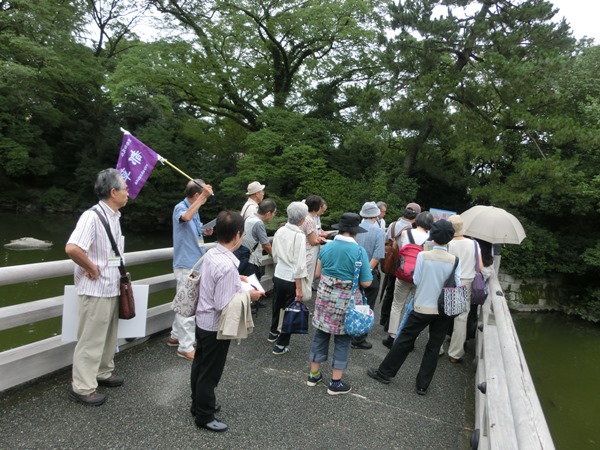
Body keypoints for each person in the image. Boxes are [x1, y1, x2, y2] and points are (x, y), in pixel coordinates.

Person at [367, 219, 461, 395]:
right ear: (450, 238)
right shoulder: (455, 260)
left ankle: (385, 372)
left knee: (405, 340)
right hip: (443, 310)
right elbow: (457, 282)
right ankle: (422, 385)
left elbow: (416, 279)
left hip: (422, 306)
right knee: (433, 346)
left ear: (432, 236)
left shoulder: (423, 256)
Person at [191, 210, 264, 432]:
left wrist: (236, 280)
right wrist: (248, 295)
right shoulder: (227, 264)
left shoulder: (213, 254)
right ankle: (204, 416)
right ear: (238, 235)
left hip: (202, 320)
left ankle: (199, 404)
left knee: (200, 364)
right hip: (215, 326)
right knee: (210, 372)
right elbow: (224, 304)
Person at [65, 168, 129, 406]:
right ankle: (82, 387)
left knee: (108, 336)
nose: (128, 192)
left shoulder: (114, 216)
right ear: (113, 192)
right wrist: (91, 268)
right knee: (91, 339)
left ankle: (102, 372)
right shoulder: (92, 216)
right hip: (95, 289)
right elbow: (72, 248)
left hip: (111, 286)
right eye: (125, 188)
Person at [308, 212, 372, 395]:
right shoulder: (359, 252)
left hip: (324, 299)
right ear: (355, 232)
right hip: (345, 303)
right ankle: (335, 383)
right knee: (343, 340)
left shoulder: (327, 247)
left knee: (320, 335)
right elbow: (366, 282)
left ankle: (313, 375)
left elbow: (318, 274)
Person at [169, 179, 214, 361]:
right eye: (202, 197)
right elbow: (185, 217)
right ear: (197, 195)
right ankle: (185, 347)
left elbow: (192, 226)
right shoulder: (180, 207)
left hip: (194, 263)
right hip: (186, 264)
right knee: (186, 307)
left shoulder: (193, 209)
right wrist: (203, 197)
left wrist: (204, 231)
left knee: (184, 302)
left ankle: (175, 336)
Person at [384, 211, 433, 348]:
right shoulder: (430, 239)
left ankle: (392, 336)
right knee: (413, 308)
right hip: (419, 277)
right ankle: (407, 339)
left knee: (397, 304)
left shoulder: (407, 234)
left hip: (403, 274)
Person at [268, 202, 309, 354]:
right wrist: (299, 288)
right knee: (290, 310)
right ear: (302, 219)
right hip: (292, 278)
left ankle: (273, 332)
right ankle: (281, 344)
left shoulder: (280, 230)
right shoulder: (299, 236)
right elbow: (300, 264)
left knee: (277, 305)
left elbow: (275, 254)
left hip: (279, 273)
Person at [446, 214, 486, 363]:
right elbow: (480, 266)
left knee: (443, 312)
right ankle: (455, 354)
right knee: (461, 317)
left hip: (449, 280)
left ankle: (437, 348)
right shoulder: (474, 244)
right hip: (466, 283)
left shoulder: (448, 243)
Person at [379, 202, 421, 331]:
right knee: (399, 297)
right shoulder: (412, 231)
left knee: (388, 289)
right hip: (403, 264)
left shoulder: (392, 225)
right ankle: (390, 324)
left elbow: (386, 241)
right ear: (416, 216)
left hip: (390, 260)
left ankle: (383, 318)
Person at [352, 202, 385, 350]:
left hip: (352, 271)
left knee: (353, 302)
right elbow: (377, 256)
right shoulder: (378, 231)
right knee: (366, 305)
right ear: (376, 215)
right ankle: (359, 339)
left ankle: (349, 330)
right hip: (369, 273)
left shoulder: (355, 229)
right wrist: (366, 272)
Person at [236, 198, 277, 278]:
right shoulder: (258, 223)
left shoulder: (249, 218)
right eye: (274, 213)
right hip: (251, 262)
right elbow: (266, 245)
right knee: (253, 288)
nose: (274, 216)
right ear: (268, 213)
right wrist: (276, 257)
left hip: (243, 258)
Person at [299, 195, 327, 292]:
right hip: (309, 252)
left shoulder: (303, 217)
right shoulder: (310, 220)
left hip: (302, 250)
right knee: (307, 278)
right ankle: (303, 298)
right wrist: (320, 240)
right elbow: (312, 241)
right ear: (317, 207)